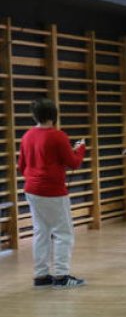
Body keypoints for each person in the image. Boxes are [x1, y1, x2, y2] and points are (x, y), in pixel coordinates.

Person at [18, 98, 87, 288]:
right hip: (52, 191)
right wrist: (80, 150)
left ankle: (41, 276)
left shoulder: (27, 136)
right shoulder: (58, 136)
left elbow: (21, 166)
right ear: (54, 116)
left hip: (32, 189)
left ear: (34, 115)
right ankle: (61, 276)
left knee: (41, 232)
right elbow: (73, 163)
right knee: (63, 233)